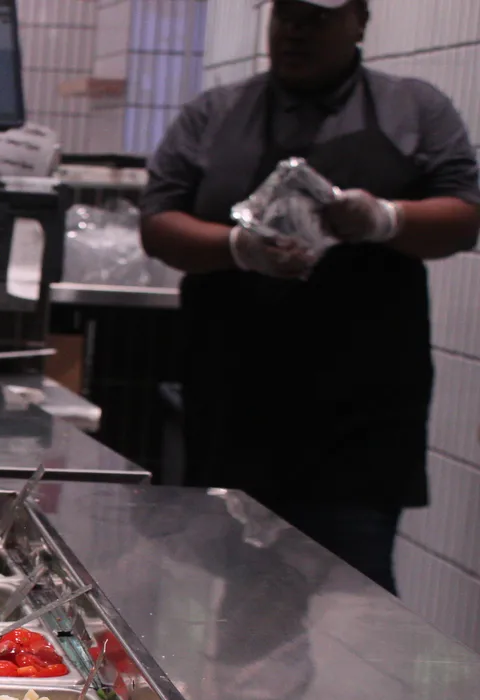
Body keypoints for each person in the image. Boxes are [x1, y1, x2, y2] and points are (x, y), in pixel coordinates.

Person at [140, 0, 480, 593]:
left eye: (317, 18)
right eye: (286, 15)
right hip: (233, 403)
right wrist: (238, 248)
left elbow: (465, 217)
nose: (295, 31)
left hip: (360, 415)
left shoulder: (415, 109)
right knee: (235, 601)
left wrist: (386, 219)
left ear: (360, 21)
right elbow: (157, 221)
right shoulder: (213, 115)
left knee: (354, 597)